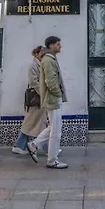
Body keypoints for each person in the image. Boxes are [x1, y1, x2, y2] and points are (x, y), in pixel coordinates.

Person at [28, 35, 67, 169]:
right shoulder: (49, 60)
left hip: (52, 98)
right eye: (57, 44)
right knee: (56, 130)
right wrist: (58, 94)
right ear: (51, 45)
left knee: (54, 127)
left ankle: (34, 145)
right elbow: (50, 82)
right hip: (52, 99)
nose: (60, 46)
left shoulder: (49, 58)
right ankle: (52, 160)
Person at [13, 46, 46, 156]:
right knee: (33, 124)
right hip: (36, 100)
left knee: (35, 124)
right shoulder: (33, 66)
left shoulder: (40, 64)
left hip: (39, 100)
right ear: (36, 54)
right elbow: (33, 82)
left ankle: (20, 146)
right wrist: (43, 93)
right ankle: (19, 146)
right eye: (41, 53)